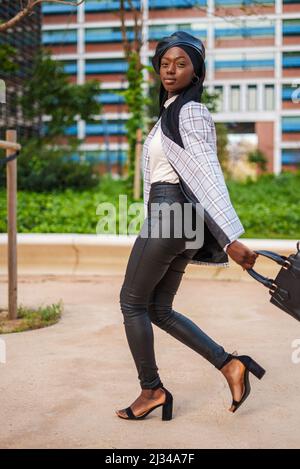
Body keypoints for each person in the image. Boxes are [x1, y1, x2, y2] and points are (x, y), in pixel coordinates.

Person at [116, 31, 265, 421]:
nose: (171, 70)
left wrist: (230, 237)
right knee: (159, 309)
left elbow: (207, 174)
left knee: (131, 303)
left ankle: (151, 390)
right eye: (165, 63)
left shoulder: (190, 112)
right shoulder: (171, 110)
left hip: (171, 216)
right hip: (177, 219)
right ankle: (231, 365)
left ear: (196, 71)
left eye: (181, 64)